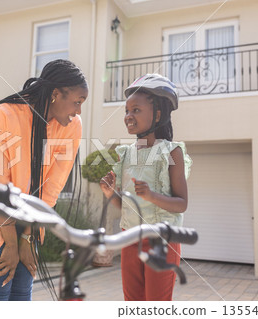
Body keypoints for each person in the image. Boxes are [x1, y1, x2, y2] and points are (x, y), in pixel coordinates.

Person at [0, 59, 88, 301]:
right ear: (55, 95)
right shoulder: (4, 115)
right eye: (77, 102)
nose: (79, 111)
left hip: (31, 212)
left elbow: (51, 188)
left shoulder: (72, 126)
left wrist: (27, 237)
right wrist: (11, 244)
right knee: (4, 280)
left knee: (23, 284)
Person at [100, 74, 192, 301]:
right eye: (127, 111)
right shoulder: (126, 154)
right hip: (130, 239)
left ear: (158, 114)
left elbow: (181, 204)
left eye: (136, 110)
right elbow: (125, 206)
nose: (129, 116)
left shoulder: (172, 153)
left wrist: (151, 195)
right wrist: (111, 194)